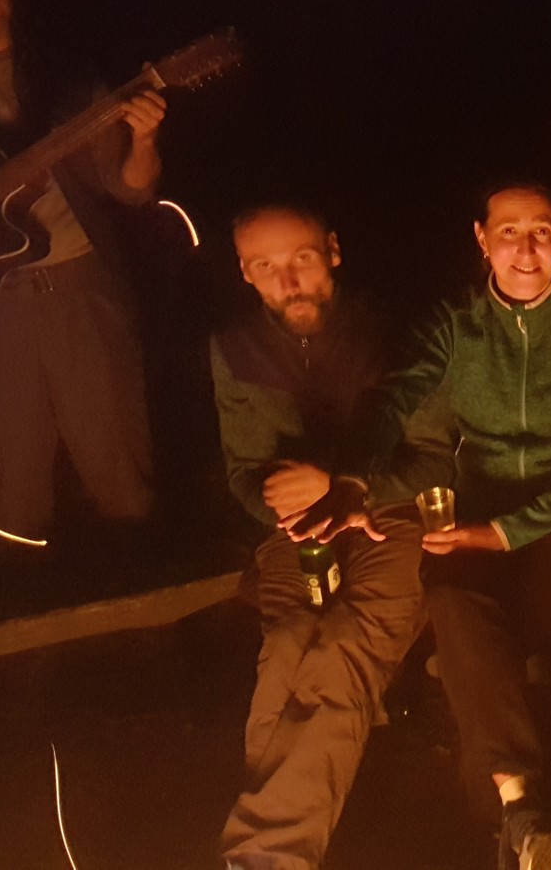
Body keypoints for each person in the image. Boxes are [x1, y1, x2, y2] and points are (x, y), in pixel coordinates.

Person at [287, 183, 551, 870]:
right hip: (473, 511)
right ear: (481, 238)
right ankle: (520, 809)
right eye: (509, 231)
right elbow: (394, 396)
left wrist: (500, 534)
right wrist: (353, 480)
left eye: (541, 231)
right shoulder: (456, 325)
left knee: (469, 649)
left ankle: (506, 818)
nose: (525, 249)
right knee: (451, 596)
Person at [214, 205, 447, 870]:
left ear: (333, 252)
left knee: (347, 641)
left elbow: (436, 460)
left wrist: (344, 483)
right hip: (296, 529)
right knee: (289, 641)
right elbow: (242, 472)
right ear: (245, 273)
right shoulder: (235, 347)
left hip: (387, 515)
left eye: (302, 260)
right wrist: (277, 498)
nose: (287, 282)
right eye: (265, 267)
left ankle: (267, 856)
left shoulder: (396, 336)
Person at [0, 0, 166, 542]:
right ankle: (18, 580)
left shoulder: (65, 77)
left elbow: (128, 187)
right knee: (11, 493)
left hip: (81, 283)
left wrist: (144, 140)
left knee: (120, 466)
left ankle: (140, 572)